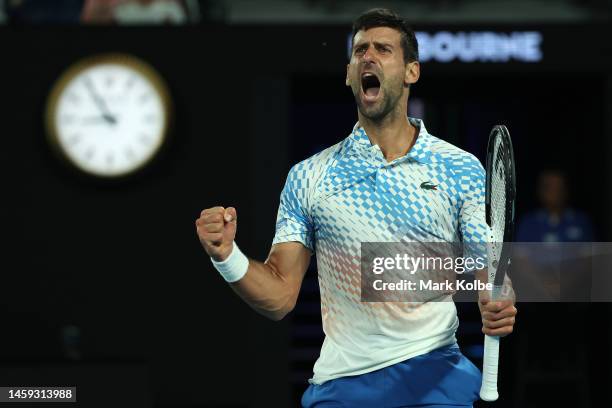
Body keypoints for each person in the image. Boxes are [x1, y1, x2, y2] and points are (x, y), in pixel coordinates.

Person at [196, 8, 516, 407]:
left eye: (383, 49)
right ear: (349, 74)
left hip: (436, 373)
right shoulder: (310, 176)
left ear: (411, 72)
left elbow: (481, 264)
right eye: (359, 50)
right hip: (343, 384)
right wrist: (226, 256)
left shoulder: (459, 167)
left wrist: (497, 294)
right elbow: (279, 298)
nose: (368, 56)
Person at [516, 169, 594, 242]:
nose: (555, 193)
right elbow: (520, 254)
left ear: (566, 190)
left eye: (559, 187)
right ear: (540, 191)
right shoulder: (528, 223)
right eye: (549, 187)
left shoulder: (581, 221)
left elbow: (590, 254)